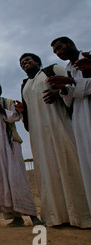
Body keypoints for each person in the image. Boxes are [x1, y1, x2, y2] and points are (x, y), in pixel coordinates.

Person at [17, 53, 91, 227]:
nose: (25, 62)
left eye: (28, 59)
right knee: (47, 170)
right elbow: (27, 111)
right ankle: (56, 217)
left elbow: (72, 88)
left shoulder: (52, 70)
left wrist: (58, 93)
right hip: (38, 134)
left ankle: (80, 215)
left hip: (59, 125)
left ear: (38, 61)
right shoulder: (25, 85)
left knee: (69, 164)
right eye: (22, 62)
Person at [0, 81, 41, 227]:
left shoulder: (8, 102)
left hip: (9, 147)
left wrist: (2, 110)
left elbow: (14, 118)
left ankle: (32, 215)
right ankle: (15, 217)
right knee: (0, 182)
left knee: (17, 179)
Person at [47, 37, 91, 212]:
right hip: (80, 116)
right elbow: (70, 99)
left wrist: (72, 83)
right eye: (55, 51)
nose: (58, 52)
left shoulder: (88, 57)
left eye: (60, 47)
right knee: (87, 161)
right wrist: (63, 89)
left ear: (71, 44)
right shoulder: (68, 69)